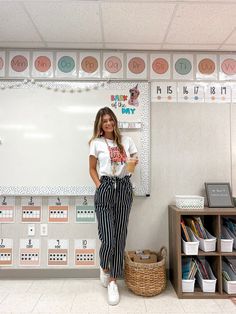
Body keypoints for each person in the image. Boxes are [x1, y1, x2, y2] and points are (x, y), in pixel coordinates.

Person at [89, 107, 138, 305]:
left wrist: (131, 165)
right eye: (104, 121)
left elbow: (135, 159)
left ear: (115, 121)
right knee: (108, 239)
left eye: (110, 119)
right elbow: (92, 169)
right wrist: (100, 186)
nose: (108, 123)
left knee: (120, 236)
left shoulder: (126, 141)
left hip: (124, 188)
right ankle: (104, 265)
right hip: (105, 188)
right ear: (99, 124)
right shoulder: (96, 143)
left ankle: (113, 281)